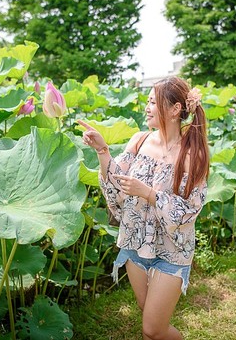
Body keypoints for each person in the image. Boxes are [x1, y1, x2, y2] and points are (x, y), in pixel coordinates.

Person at [78, 76, 209, 340]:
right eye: (147, 101)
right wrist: (103, 151)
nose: (146, 107)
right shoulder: (139, 140)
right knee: (147, 316)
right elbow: (116, 188)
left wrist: (149, 194)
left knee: (153, 328)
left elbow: (189, 210)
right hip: (135, 243)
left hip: (171, 250)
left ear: (175, 110)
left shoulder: (191, 153)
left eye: (152, 102)